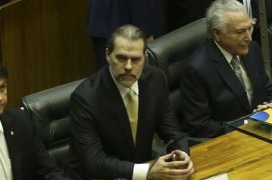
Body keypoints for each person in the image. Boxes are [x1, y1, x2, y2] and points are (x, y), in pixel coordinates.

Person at [68, 25, 193, 180]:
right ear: (108, 55)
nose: (128, 66)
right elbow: (94, 162)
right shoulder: (85, 98)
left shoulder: (156, 79)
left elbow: (174, 134)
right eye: (121, 58)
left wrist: (182, 157)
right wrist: (147, 172)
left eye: (135, 60)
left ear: (145, 57)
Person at [181, 0, 272, 138]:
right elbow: (200, 125)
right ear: (217, 34)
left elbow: (269, 91)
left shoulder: (253, 49)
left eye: (249, 28)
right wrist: (248, 124)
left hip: (263, 131)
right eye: (240, 32)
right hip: (228, 141)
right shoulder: (197, 69)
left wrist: (269, 106)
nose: (249, 37)